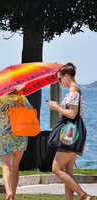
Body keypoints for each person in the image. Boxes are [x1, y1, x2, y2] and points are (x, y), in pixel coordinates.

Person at [46, 62, 92, 200]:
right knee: (68, 172)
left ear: (66, 76)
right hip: (75, 134)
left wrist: (56, 107)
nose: (60, 83)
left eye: (60, 79)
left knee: (56, 169)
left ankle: (83, 195)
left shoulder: (73, 91)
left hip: (69, 135)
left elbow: (71, 114)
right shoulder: (78, 90)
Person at [0, 85, 32, 200]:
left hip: (4, 138)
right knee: (15, 168)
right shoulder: (21, 98)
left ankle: (8, 193)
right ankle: (14, 194)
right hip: (20, 136)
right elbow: (30, 112)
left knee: (5, 167)